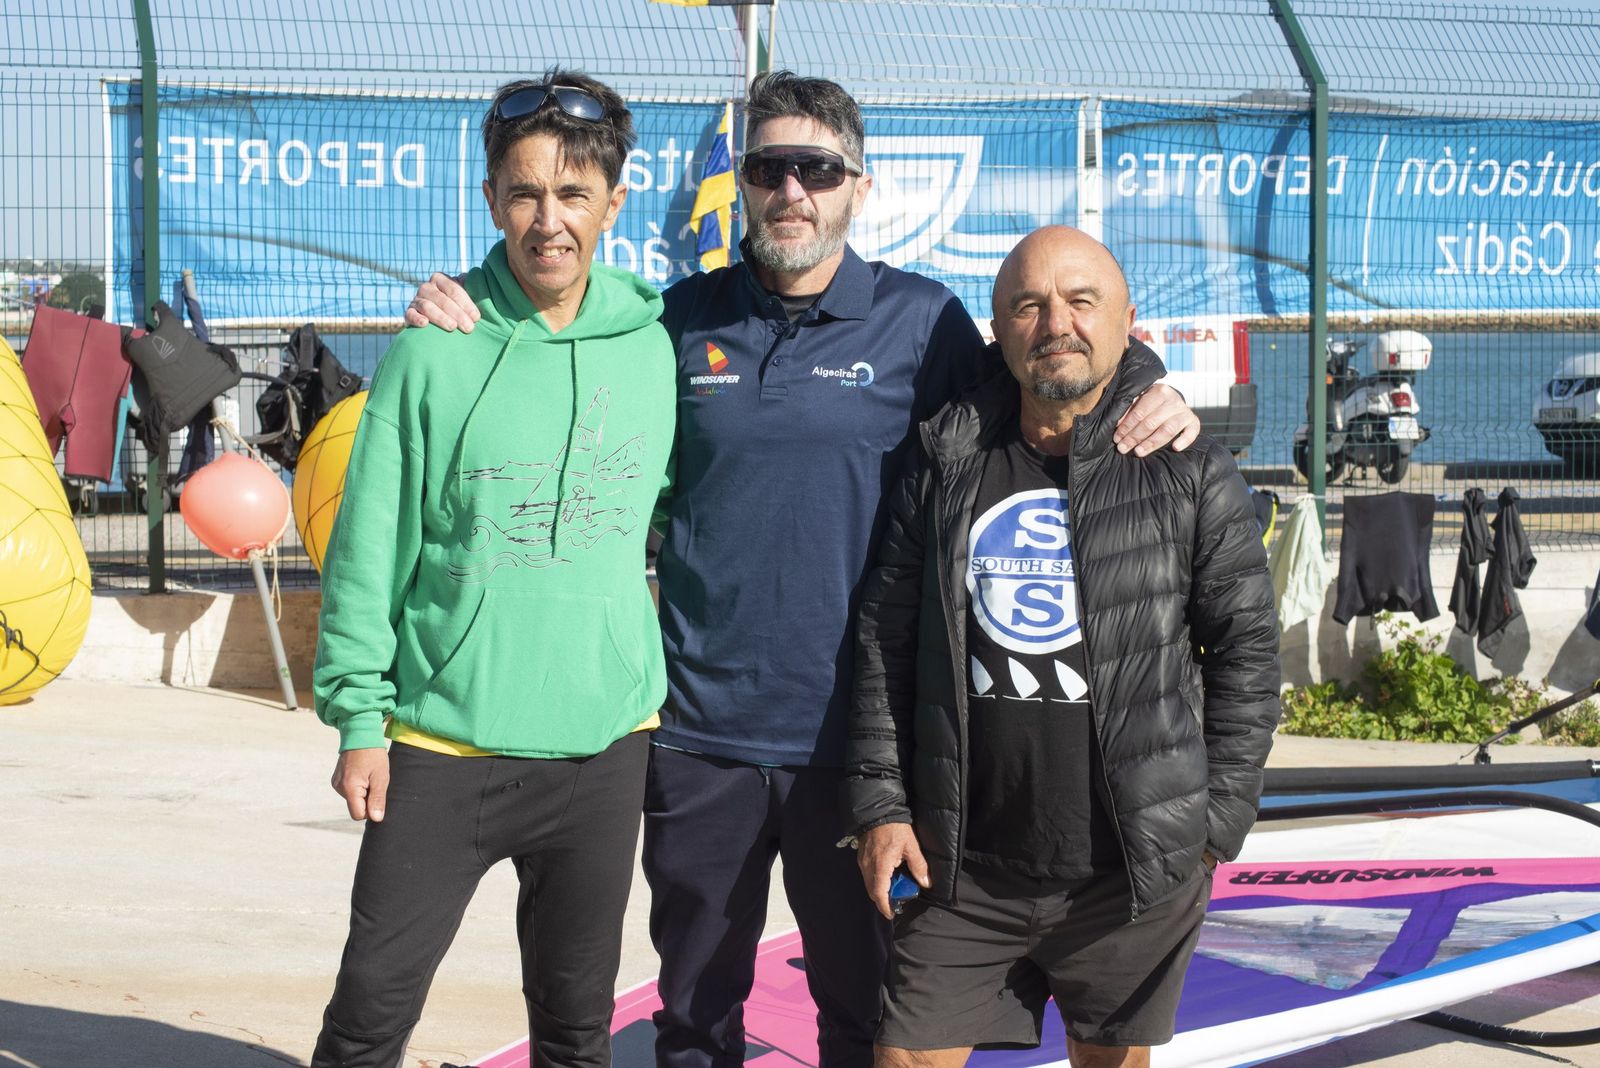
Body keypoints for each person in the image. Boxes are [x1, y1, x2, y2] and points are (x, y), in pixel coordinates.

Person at [405, 74, 1201, 1068]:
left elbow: (1053, 371)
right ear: (742, 184)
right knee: (693, 1016)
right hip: (700, 741)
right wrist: (465, 306)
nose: (791, 190)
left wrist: (1148, 381)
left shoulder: (922, 325)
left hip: (863, 753)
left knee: (864, 1018)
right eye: (768, 167)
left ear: (855, 188)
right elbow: (556, 331)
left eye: (815, 170)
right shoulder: (674, 320)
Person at [845, 226, 1280, 1068]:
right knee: (903, 1054)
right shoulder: (943, 460)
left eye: (1083, 301)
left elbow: (1248, 655)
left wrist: (1210, 828)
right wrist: (883, 806)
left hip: (1126, 871)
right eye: (1029, 305)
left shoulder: (1188, 467)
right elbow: (882, 644)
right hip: (960, 864)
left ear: (1127, 321)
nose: (1057, 323)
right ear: (1000, 330)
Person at [310, 70, 675, 1068]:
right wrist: (357, 718)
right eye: (522, 193)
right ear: (489, 201)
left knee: (575, 1031)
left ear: (613, 200)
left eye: (570, 195)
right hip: (440, 745)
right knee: (369, 1015)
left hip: (602, 750)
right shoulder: (434, 350)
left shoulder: (654, 347)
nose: (546, 220)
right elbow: (368, 549)